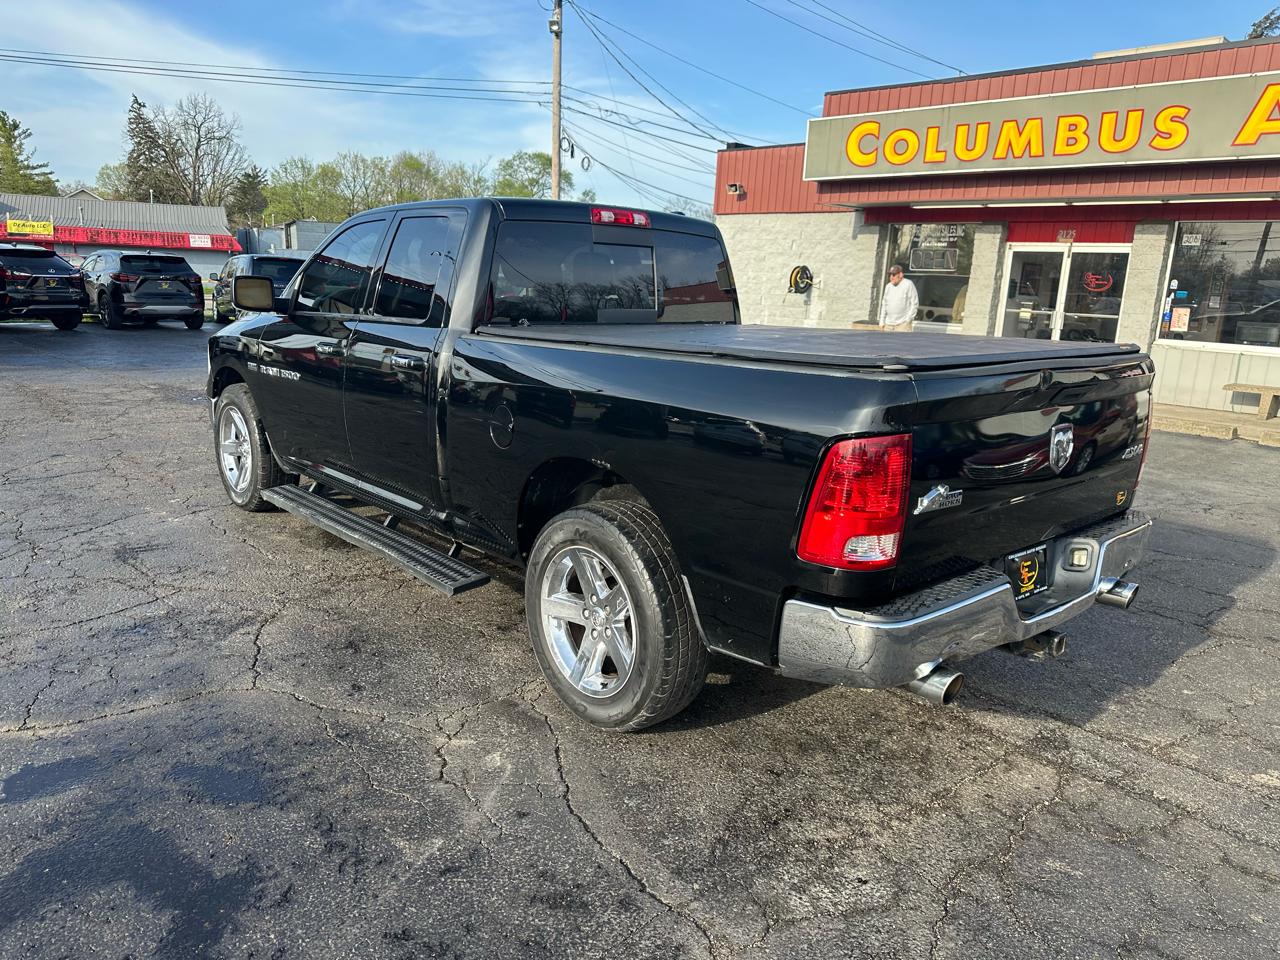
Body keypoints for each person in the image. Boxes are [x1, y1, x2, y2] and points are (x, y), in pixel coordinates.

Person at [878, 264, 919, 330]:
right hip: (888, 325)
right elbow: (884, 305)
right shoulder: (888, 286)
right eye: (890, 275)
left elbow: (914, 303)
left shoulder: (908, 284)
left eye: (893, 275)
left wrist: (908, 320)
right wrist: (882, 321)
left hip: (902, 325)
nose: (891, 277)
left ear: (900, 275)